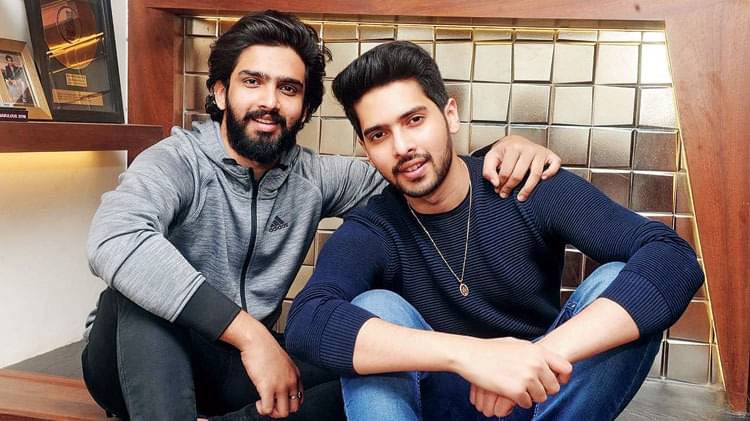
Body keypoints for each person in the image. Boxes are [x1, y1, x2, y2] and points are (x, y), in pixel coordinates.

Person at [82, 11, 561, 421]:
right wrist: (251, 336)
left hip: (241, 376)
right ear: (221, 92)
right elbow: (115, 239)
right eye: (252, 82)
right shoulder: (178, 161)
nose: (269, 101)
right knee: (135, 295)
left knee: (377, 366)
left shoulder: (313, 177)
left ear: (305, 108)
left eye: (288, 88)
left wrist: (503, 151)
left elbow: (417, 173)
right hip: (137, 363)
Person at [284, 41, 704, 421]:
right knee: (376, 306)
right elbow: (308, 320)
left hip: (545, 399)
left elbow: (673, 257)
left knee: (616, 279)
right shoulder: (375, 228)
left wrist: (535, 357)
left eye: (414, 120)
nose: (402, 146)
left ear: (449, 115)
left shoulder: (527, 185)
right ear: (365, 148)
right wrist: (473, 356)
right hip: (437, 407)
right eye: (379, 135)